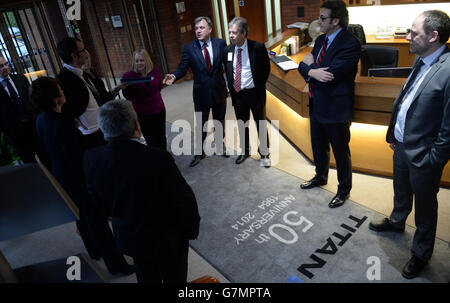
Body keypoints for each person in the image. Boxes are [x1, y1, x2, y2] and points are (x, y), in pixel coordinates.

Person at [369, 10, 450, 279]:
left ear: (434, 36)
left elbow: (449, 127)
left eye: (414, 33)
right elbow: (408, 99)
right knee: (400, 189)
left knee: (425, 208)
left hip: (425, 155)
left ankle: (421, 253)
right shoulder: (421, 58)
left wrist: (434, 159)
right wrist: (395, 133)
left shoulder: (448, 69)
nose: (408, 37)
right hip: (402, 145)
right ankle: (396, 221)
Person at [83, 99, 201, 283]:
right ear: (136, 126)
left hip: (130, 238)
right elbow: (183, 199)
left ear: (104, 129)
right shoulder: (157, 158)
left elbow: (97, 203)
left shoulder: (91, 159)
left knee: (146, 276)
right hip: (166, 240)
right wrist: (190, 230)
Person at [31, 77, 134, 276]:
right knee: (98, 222)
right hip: (78, 178)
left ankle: (94, 251)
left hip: (62, 175)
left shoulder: (42, 119)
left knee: (83, 218)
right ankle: (117, 265)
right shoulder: (62, 125)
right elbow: (78, 154)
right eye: (60, 89)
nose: (63, 92)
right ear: (54, 97)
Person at [297, 0, 361, 208]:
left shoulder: (350, 43)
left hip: (336, 108)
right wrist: (312, 70)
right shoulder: (320, 40)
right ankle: (320, 176)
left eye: (323, 18)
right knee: (318, 145)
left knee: (341, 152)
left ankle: (344, 190)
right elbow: (303, 64)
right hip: (317, 103)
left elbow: (330, 75)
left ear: (336, 20)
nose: (318, 21)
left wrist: (311, 69)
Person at [164, 16, 229, 167]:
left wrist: (228, 85)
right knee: (201, 123)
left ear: (210, 29)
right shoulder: (189, 48)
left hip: (219, 90)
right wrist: (174, 76)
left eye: (202, 28)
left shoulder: (220, 43)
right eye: (196, 28)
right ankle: (200, 152)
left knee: (219, 120)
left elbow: (227, 65)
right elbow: (182, 67)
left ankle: (220, 145)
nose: (198, 31)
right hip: (201, 94)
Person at [223, 17, 271, 167]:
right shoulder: (228, 50)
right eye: (230, 32)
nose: (231, 35)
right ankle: (245, 151)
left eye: (234, 32)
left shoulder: (257, 48)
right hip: (238, 94)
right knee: (242, 123)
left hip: (254, 94)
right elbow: (228, 71)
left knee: (260, 123)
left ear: (244, 33)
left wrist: (257, 86)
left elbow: (265, 70)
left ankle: (264, 153)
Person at [57, 37, 105, 148]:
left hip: (99, 128)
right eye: (82, 51)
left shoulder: (79, 73)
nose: (85, 53)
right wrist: (74, 120)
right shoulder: (65, 79)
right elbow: (64, 108)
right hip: (90, 135)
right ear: (74, 56)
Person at [0, 56, 47, 164]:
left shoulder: (20, 79)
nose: (5, 67)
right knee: (29, 162)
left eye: (6, 64)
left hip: (33, 125)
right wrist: (8, 131)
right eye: (1, 66)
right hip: (16, 133)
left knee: (45, 156)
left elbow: (33, 100)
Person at [122, 49, 167, 150]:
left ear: (147, 60)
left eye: (142, 60)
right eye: (137, 61)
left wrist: (166, 82)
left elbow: (159, 87)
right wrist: (123, 88)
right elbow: (127, 96)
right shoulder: (128, 76)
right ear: (134, 62)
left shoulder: (155, 71)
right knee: (150, 138)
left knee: (161, 135)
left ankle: (164, 156)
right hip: (143, 113)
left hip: (159, 109)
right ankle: (155, 158)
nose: (139, 63)